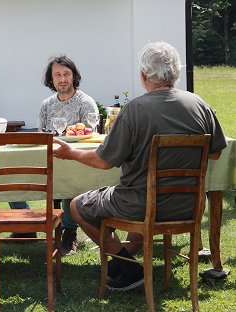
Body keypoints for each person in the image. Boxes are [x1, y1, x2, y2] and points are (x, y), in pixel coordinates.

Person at [52, 42, 227, 291]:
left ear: (143, 75)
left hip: (141, 204)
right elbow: (217, 152)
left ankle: (129, 268)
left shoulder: (135, 109)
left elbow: (103, 161)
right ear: (176, 72)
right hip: (188, 206)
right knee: (143, 200)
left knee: (78, 206)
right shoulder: (199, 105)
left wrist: (71, 153)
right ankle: (124, 262)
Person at [34, 54, 98, 255]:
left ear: (74, 76)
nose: (62, 79)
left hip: (76, 161)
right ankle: (26, 226)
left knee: (69, 177)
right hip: (51, 158)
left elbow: (90, 137)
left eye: (66, 74)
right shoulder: (46, 104)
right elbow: (41, 135)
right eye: (57, 75)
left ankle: (69, 232)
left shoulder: (85, 102)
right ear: (51, 80)